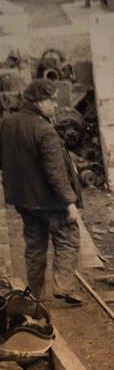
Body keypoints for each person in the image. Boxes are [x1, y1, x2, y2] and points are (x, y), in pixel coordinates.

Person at [0, 78, 82, 305]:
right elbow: (56, 171)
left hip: (24, 200)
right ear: (37, 101)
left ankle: (36, 294)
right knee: (68, 239)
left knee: (35, 246)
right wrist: (69, 202)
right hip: (51, 201)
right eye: (51, 100)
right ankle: (64, 287)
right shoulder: (44, 130)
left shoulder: (7, 123)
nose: (54, 105)